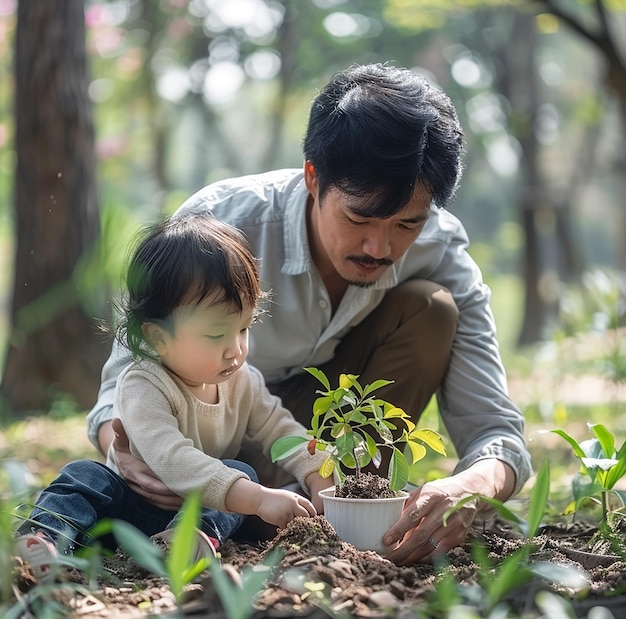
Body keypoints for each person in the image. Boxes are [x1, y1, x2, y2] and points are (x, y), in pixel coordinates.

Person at [87, 62, 533, 566]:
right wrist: (130, 455)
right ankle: (233, 513)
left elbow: (496, 430)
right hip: (201, 443)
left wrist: (468, 486)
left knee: (431, 310)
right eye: (359, 217)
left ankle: (344, 507)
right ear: (313, 178)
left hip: (314, 455)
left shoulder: (440, 250)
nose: (380, 245)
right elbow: (126, 383)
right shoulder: (216, 227)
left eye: (407, 223)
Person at [15, 212, 332, 582]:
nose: (236, 350)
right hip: (130, 507)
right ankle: (46, 539)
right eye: (216, 336)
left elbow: (281, 430)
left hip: (197, 511)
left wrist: (318, 472)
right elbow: (172, 458)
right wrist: (258, 498)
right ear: (158, 337)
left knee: (240, 470)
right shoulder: (143, 385)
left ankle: (186, 544)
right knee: (84, 475)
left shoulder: (242, 381)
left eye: (244, 328)